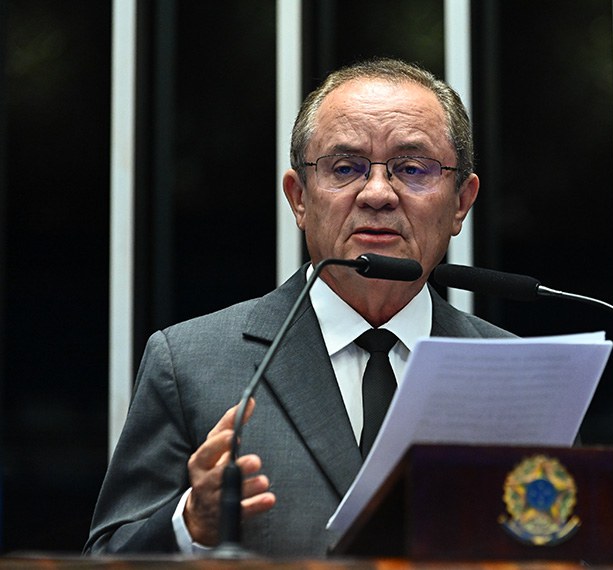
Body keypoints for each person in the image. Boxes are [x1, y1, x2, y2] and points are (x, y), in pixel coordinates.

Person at [84, 57, 514, 557]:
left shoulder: (509, 370)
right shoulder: (191, 362)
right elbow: (106, 557)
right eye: (345, 168)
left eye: (412, 169)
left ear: (461, 200)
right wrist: (191, 524)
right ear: (299, 198)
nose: (377, 194)